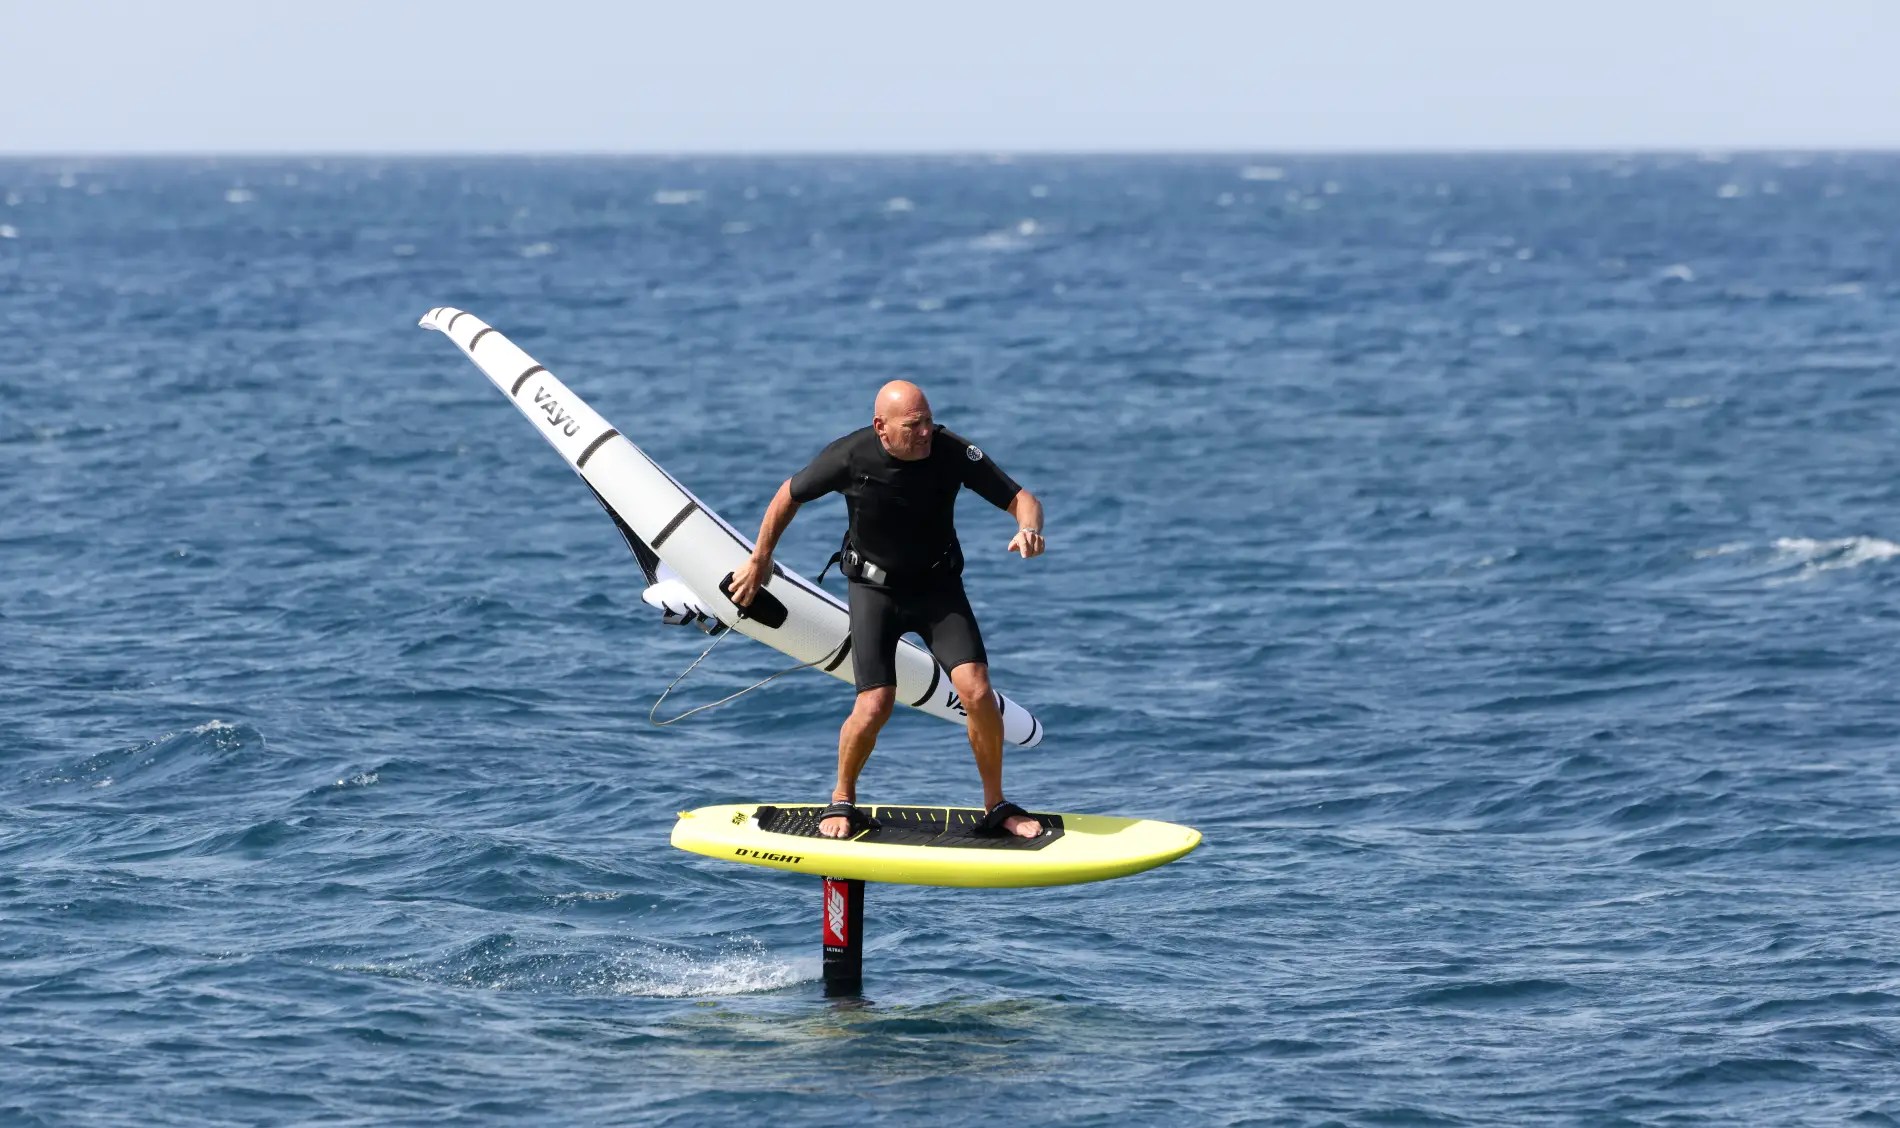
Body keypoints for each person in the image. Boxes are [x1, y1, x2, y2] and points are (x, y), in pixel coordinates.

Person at [727, 380, 1046, 840]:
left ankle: (995, 805)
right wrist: (760, 559)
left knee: (977, 693)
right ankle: (842, 800)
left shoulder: (951, 451)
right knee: (875, 703)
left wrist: (1029, 529)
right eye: (913, 425)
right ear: (882, 427)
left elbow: (1021, 498)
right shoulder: (851, 456)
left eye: (929, 421)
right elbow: (788, 495)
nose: (925, 433)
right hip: (875, 592)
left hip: (938, 589)